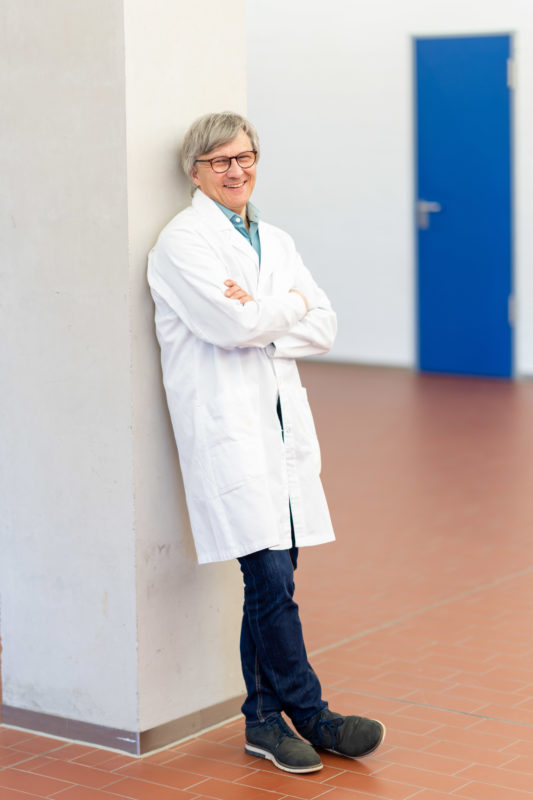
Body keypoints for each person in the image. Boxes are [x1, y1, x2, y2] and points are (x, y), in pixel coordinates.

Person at [147, 111, 385, 774]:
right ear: (194, 171)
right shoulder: (182, 242)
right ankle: (310, 715)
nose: (235, 170)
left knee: (275, 580)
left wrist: (263, 314)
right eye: (220, 161)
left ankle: (260, 720)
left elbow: (325, 325)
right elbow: (230, 325)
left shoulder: (274, 240)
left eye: (244, 156)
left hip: (278, 435)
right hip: (226, 434)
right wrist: (281, 309)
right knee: (270, 577)